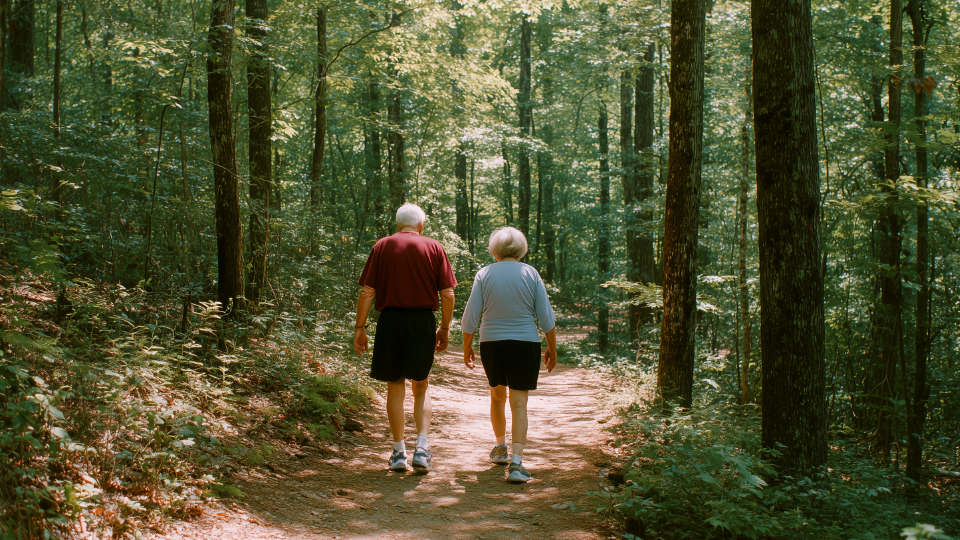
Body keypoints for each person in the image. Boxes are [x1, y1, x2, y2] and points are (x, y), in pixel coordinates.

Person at [353, 203, 457, 473]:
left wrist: (360, 328)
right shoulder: (434, 247)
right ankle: (422, 449)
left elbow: (367, 292)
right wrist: (444, 328)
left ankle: (399, 453)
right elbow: (448, 294)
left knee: (395, 386)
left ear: (397, 225)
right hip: (422, 321)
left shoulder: (382, 246)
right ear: (421, 226)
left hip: (390, 322)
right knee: (421, 386)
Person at [461, 226, 557, 484]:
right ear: (521, 249)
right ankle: (517, 463)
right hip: (525, 342)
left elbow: (471, 316)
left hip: (492, 342)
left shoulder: (484, 273)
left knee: (496, 395)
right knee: (519, 403)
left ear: (496, 250)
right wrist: (552, 348)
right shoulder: (530, 273)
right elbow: (545, 317)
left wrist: (467, 345)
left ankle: (500, 447)